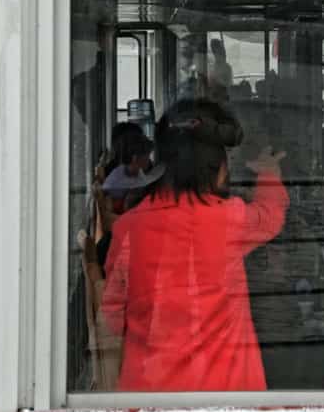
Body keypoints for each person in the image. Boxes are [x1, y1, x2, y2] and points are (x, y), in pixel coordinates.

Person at [102, 98, 288, 392]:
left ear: (160, 165)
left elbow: (112, 316)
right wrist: (269, 173)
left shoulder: (128, 229)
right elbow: (270, 217)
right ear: (218, 170)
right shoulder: (229, 219)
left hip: (149, 400)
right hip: (227, 400)